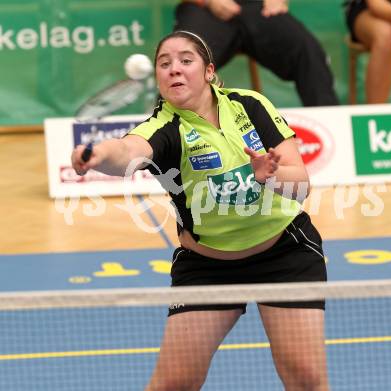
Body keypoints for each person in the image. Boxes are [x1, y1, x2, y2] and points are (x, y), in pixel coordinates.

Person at [72, 31, 329, 391]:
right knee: (172, 385)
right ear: (158, 78)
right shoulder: (164, 129)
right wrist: (99, 156)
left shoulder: (249, 105)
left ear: (209, 71)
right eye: (165, 63)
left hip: (284, 252)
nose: (174, 69)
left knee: (307, 379)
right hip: (209, 268)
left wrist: (268, 179)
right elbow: (128, 152)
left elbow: (300, 186)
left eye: (185, 61)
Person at [174, 0, 339, 107]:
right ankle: (166, 143)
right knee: (182, 57)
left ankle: (333, 136)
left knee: (307, 50)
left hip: (259, 6)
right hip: (203, 7)